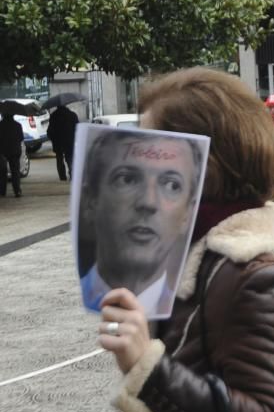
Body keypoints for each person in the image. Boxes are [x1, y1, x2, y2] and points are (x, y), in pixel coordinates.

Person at [29, 68, 274, 412]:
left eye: (155, 158)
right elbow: (165, 409)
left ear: (207, 166)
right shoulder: (189, 259)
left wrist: (149, 368)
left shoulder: (249, 274)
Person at [78, 130, 202, 316]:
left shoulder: (199, 315)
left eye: (171, 185)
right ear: (90, 200)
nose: (148, 202)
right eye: (127, 179)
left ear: (188, 213)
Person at [47, 105, 79, 181]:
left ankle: (62, 177)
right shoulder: (72, 115)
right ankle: (72, 174)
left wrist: (52, 138)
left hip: (58, 142)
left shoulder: (53, 116)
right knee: (70, 158)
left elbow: (50, 130)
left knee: (59, 159)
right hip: (70, 141)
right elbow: (78, 128)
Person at [0, 111, 24, 197]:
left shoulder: (0, 126)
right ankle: (17, 191)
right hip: (15, 151)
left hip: (2, 152)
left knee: (2, 172)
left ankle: (2, 191)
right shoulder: (18, 125)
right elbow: (21, 138)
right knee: (15, 172)